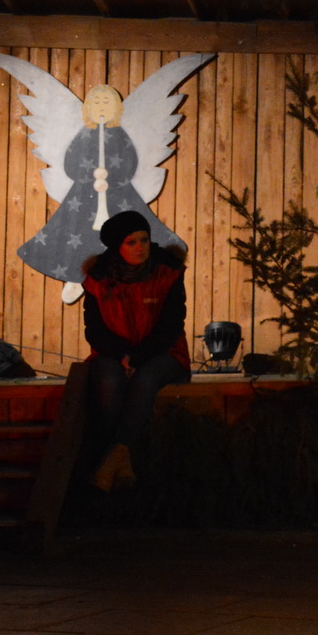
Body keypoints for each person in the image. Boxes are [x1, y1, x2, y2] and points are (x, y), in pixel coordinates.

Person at [81, 210, 191, 492]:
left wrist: (138, 357)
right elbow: (94, 331)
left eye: (144, 239)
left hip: (163, 354)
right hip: (113, 353)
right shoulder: (98, 279)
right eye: (131, 242)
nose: (140, 246)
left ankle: (107, 463)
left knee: (145, 379)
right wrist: (122, 356)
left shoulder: (168, 271)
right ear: (117, 246)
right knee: (107, 382)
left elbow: (171, 325)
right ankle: (122, 463)